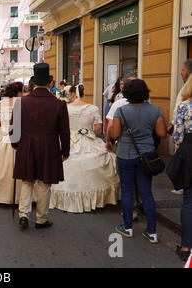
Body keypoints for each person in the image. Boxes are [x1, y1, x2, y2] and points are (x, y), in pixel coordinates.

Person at [11, 63, 70, 229]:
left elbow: (13, 128)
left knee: (27, 181)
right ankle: (41, 218)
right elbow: (64, 132)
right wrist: (65, 151)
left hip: (26, 145)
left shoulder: (21, 102)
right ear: (50, 83)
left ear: (33, 83)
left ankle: (23, 214)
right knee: (44, 184)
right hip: (49, 147)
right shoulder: (59, 104)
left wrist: (15, 145)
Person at [111, 79, 167, 243]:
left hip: (125, 156)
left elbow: (114, 135)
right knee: (146, 193)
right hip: (146, 157)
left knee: (127, 191)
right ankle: (152, 232)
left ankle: (127, 227)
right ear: (145, 92)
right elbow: (162, 134)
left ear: (126, 94)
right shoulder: (155, 110)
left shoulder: (120, 111)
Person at [49, 85, 120, 213]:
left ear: (72, 94)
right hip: (87, 138)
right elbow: (98, 128)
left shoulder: (66, 107)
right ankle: (95, 197)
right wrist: (89, 131)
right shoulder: (92, 108)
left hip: (70, 138)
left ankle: (66, 196)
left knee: (66, 161)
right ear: (83, 94)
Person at [171, 74, 192, 261]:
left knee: (189, 200)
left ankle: (186, 247)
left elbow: (177, 135)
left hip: (190, 153)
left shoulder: (184, 106)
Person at [168, 59, 192, 196]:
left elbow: (179, 133)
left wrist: (178, 145)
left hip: (187, 141)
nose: (180, 72)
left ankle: (184, 185)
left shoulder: (185, 103)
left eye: (182, 70)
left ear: (189, 71)